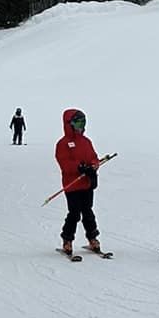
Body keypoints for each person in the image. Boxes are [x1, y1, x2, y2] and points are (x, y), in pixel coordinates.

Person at [55, 108, 103, 255]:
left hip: (86, 184)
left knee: (88, 212)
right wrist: (79, 167)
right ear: (69, 124)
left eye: (83, 123)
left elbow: (94, 157)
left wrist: (92, 167)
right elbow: (64, 163)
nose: (80, 126)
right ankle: (67, 240)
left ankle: (92, 238)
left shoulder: (86, 142)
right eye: (77, 123)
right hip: (73, 185)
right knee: (74, 213)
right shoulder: (63, 144)